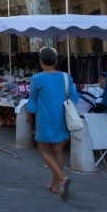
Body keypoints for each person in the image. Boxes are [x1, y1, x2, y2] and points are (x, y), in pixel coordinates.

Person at [26, 46, 80, 200]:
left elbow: (32, 101)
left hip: (45, 117)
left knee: (44, 151)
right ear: (56, 61)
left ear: (40, 62)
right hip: (62, 117)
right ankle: (54, 185)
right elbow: (75, 97)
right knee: (58, 151)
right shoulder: (66, 77)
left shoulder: (37, 78)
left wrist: (30, 116)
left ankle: (62, 179)